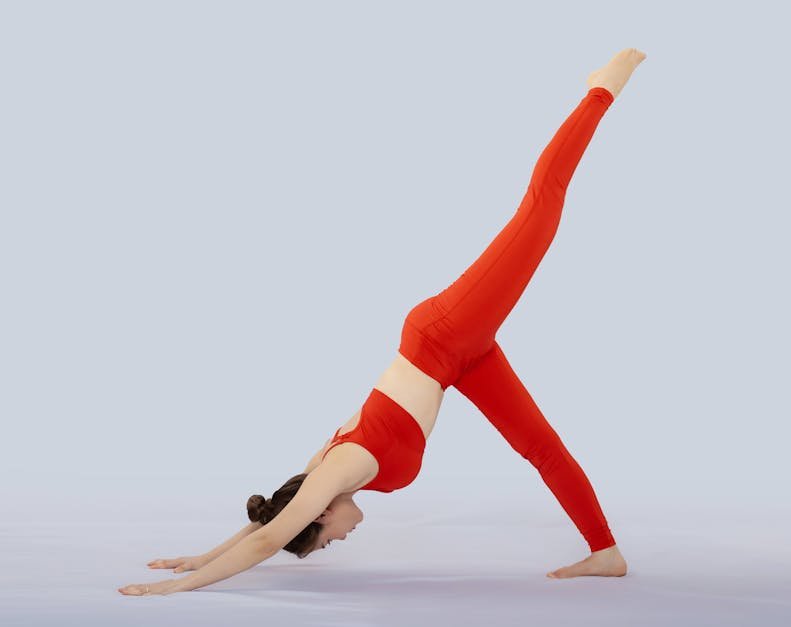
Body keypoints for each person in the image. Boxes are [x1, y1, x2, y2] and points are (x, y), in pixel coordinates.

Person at [119, 47, 647, 596]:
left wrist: (175, 590)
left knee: (539, 211)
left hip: (443, 335)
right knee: (542, 446)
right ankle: (605, 551)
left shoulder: (337, 472)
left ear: (320, 515)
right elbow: (267, 520)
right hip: (460, 361)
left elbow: (268, 540)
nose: (338, 543)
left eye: (325, 542)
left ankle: (601, 89)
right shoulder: (319, 470)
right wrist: (199, 557)